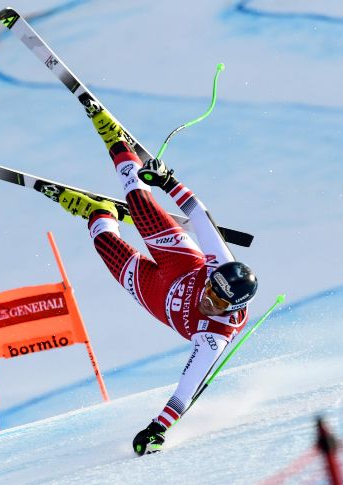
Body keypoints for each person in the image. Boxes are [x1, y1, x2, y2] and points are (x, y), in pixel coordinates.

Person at [58, 98, 258, 455]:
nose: (206, 299)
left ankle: (99, 213)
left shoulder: (214, 339)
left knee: (105, 242)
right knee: (139, 199)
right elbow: (199, 215)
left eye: (214, 301)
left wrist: (157, 428)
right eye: (211, 289)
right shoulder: (220, 263)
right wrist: (167, 181)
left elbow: (186, 390)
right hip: (180, 261)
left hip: (155, 296)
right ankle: (113, 138)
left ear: (231, 308)